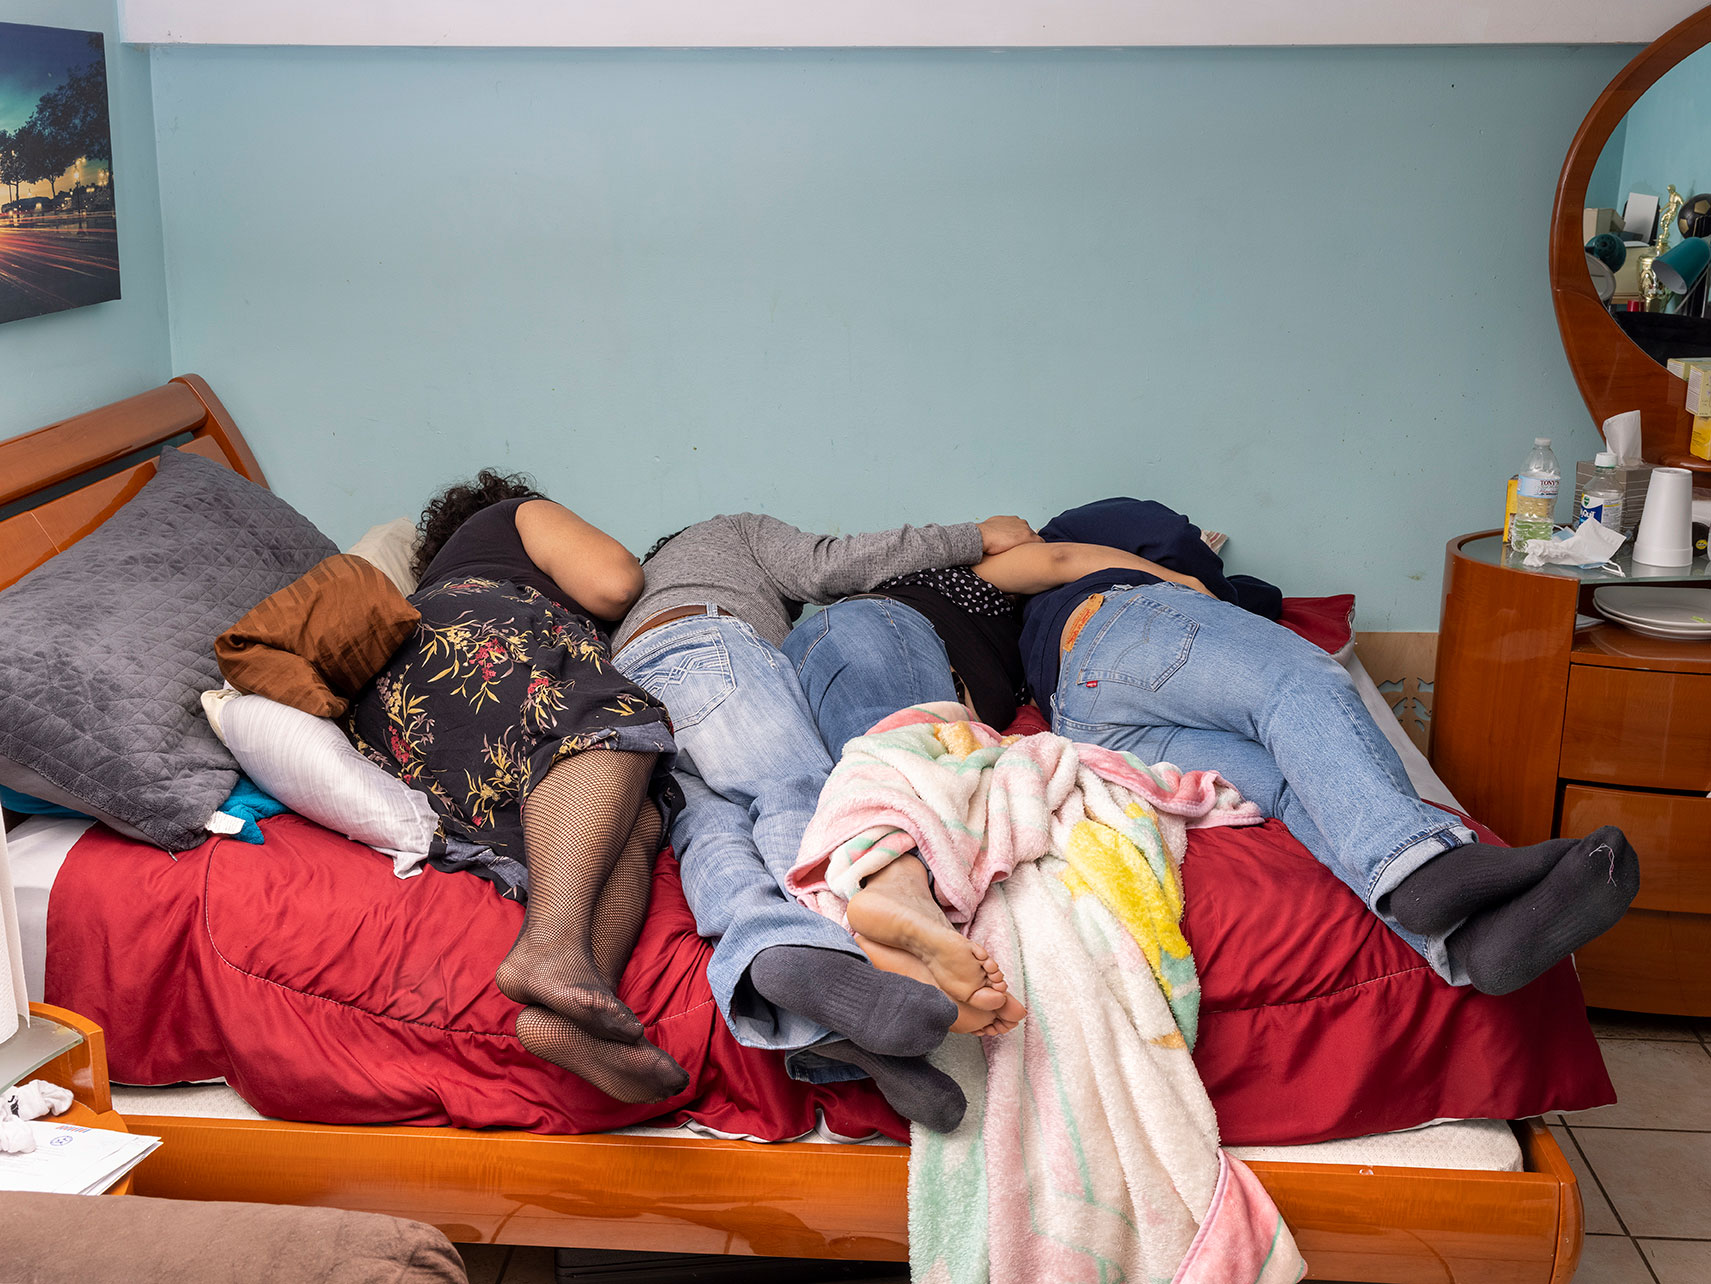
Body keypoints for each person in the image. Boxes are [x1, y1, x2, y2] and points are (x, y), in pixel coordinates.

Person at [1019, 497, 1639, 997]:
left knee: (1295, 785)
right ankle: (1425, 862)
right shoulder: (1096, 531)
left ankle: (1470, 942)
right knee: (1299, 681)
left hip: (1086, 721)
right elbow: (1193, 566)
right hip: (1127, 626)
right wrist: (1198, 572)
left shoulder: (1019, 619)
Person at [611, 510, 1036, 1131]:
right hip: (700, 652)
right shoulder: (723, 535)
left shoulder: (612, 612)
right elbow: (827, 564)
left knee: (710, 833)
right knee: (798, 792)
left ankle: (786, 962)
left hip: (625, 703)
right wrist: (976, 537)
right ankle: (859, 934)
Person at [346, 471, 686, 1104]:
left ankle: (574, 1015)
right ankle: (547, 949)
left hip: (409, 720)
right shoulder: (512, 515)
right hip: (473, 645)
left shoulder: (444, 581)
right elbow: (616, 582)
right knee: (614, 727)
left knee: (635, 817)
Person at [780, 540, 1213, 1031]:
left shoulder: (1031, 655)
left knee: (901, 757)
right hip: (873, 631)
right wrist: (1192, 586)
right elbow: (1061, 559)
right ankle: (896, 884)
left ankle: (891, 929)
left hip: (814, 667)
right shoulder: (956, 577)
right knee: (910, 739)